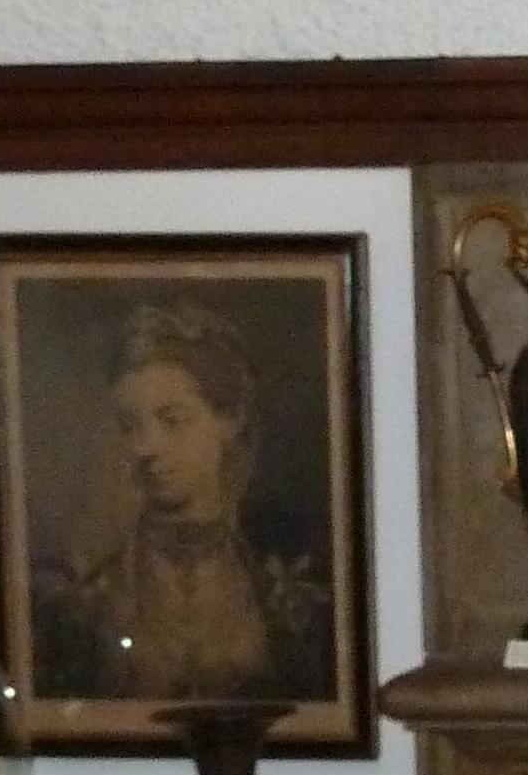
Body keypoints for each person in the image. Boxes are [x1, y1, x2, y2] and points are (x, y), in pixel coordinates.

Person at [36, 302, 330, 704]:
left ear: (229, 419)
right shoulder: (86, 599)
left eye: (172, 420)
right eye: (129, 427)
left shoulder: (287, 590)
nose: (144, 448)